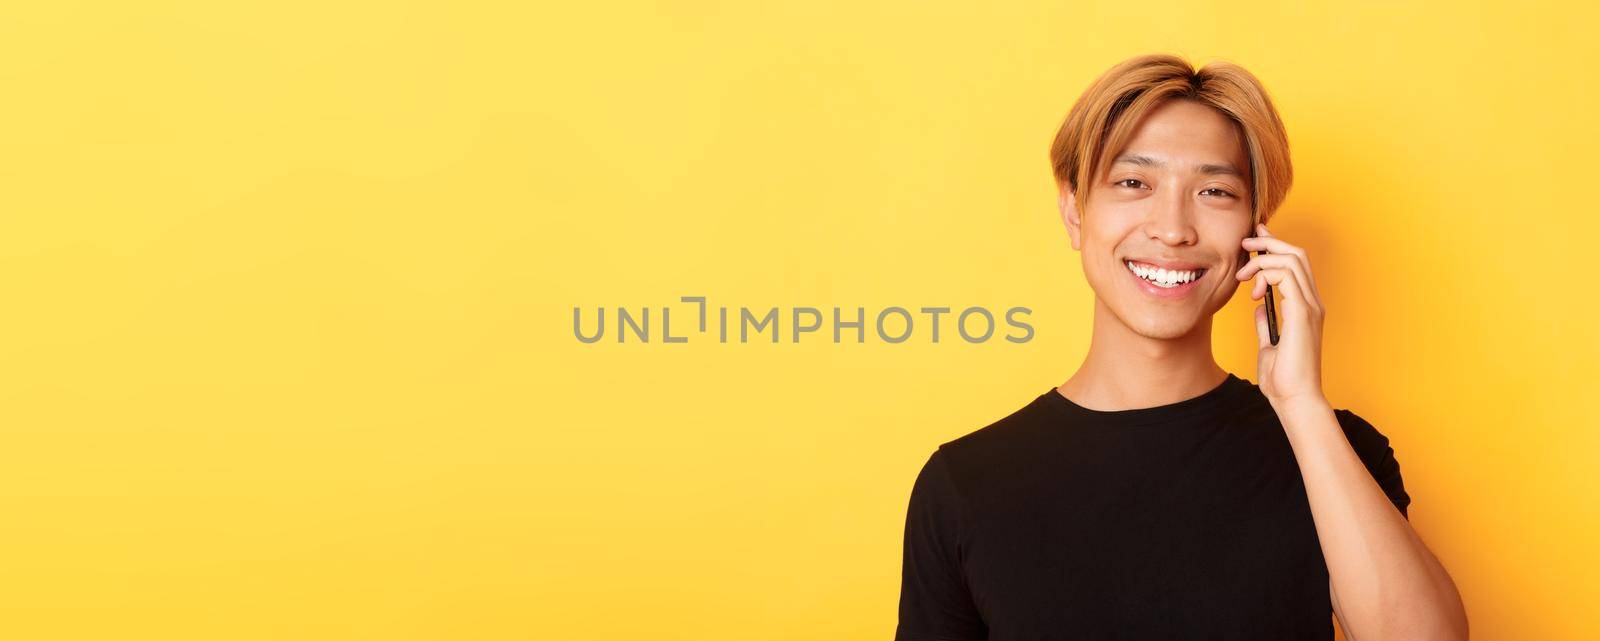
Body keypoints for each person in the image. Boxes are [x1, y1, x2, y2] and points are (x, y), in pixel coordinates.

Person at [894, 54, 1468, 641]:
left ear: (1256, 230)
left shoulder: (1333, 450)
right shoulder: (965, 483)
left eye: (1215, 191)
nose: (1173, 228)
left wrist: (1300, 404)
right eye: (1134, 183)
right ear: (1073, 209)